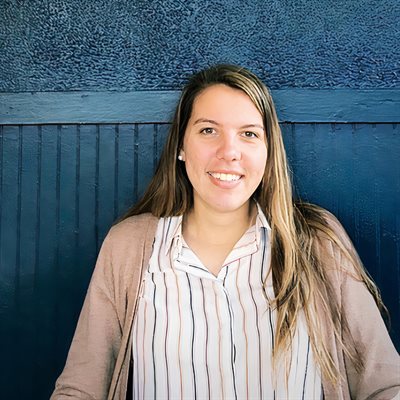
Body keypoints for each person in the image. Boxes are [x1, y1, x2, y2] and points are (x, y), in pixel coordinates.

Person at [51, 64, 400, 399]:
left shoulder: (317, 242)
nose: (229, 152)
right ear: (181, 146)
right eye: (208, 130)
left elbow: (385, 385)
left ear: (268, 151)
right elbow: (81, 389)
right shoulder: (129, 247)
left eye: (249, 134)